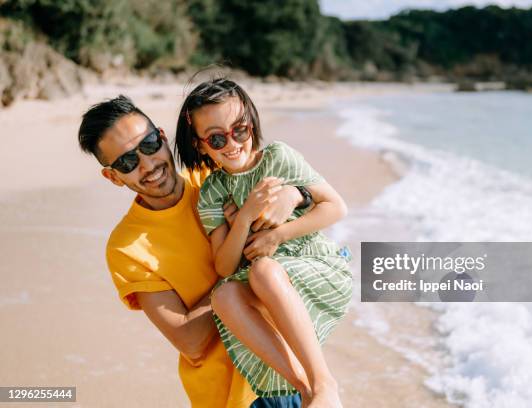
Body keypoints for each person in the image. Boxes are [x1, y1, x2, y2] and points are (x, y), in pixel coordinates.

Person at [77, 95, 307, 407]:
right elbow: (191, 341)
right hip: (227, 397)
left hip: (286, 368)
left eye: (148, 145)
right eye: (127, 162)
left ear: (161, 135)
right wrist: (241, 263)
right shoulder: (127, 247)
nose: (148, 164)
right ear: (113, 177)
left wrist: (295, 194)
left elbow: (304, 202)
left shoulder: (215, 174)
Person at [174, 79, 353, 408]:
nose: (231, 143)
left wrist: (277, 234)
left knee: (264, 270)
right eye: (216, 138)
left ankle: (325, 382)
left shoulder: (279, 158)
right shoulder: (213, 191)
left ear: (251, 124)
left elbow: (336, 207)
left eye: (239, 130)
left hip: (314, 264)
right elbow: (225, 267)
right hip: (267, 283)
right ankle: (306, 388)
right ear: (200, 145)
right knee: (224, 293)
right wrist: (244, 218)